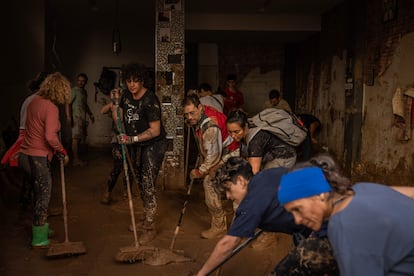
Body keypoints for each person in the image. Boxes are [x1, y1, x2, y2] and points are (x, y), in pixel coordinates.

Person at [195, 157, 339, 275]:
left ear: (240, 181)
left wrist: (201, 274)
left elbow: (228, 244)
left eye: (228, 189)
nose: (228, 196)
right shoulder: (265, 176)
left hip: (330, 228)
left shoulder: (252, 201)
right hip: (324, 217)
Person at [278, 153, 414, 275]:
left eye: (298, 209)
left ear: (320, 194)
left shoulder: (344, 226)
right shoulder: (362, 188)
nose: (297, 220)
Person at [114, 63, 167, 244]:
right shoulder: (126, 95)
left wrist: (132, 139)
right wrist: (119, 128)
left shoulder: (150, 100)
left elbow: (155, 130)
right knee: (139, 181)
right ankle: (146, 218)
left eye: (135, 81)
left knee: (147, 182)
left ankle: (150, 226)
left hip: (153, 145)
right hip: (135, 144)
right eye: (128, 81)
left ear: (142, 81)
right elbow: (120, 113)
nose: (132, 85)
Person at [18, 72, 71, 248]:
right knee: (44, 195)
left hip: (26, 155)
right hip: (38, 156)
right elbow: (49, 136)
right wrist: (61, 150)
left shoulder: (34, 102)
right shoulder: (50, 107)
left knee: (38, 192)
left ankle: (41, 227)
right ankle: (39, 238)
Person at [182, 94, 239, 239]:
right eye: (186, 114)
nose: (189, 117)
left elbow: (213, 158)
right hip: (223, 151)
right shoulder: (203, 113)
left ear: (200, 107)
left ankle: (222, 226)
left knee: (210, 183)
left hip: (233, 153)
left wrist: (198, 171)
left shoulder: (210, 127)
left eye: (192, 113)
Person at [226, 110, 296, 174]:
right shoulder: (246, 131)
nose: (233, 135)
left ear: (246, 126)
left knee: (266, 181)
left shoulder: (256, 140)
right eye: (230, 132)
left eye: (236, 132)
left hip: (284, 157)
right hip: (269, 156)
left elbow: (253, 172)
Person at [70, 73, 94, 166]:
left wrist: (90, 114)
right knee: (75, 139)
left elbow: (85, 105)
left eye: (83, 81)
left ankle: (77, 158)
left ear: (85, 82)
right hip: (76, 118)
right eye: (79, 80)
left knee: (79, 139)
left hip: (82, 118)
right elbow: (68, 103)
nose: (80, 82)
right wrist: (68, 117)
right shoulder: (74, 91)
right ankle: (75, 160)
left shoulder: (84, 91)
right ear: (76, 81)